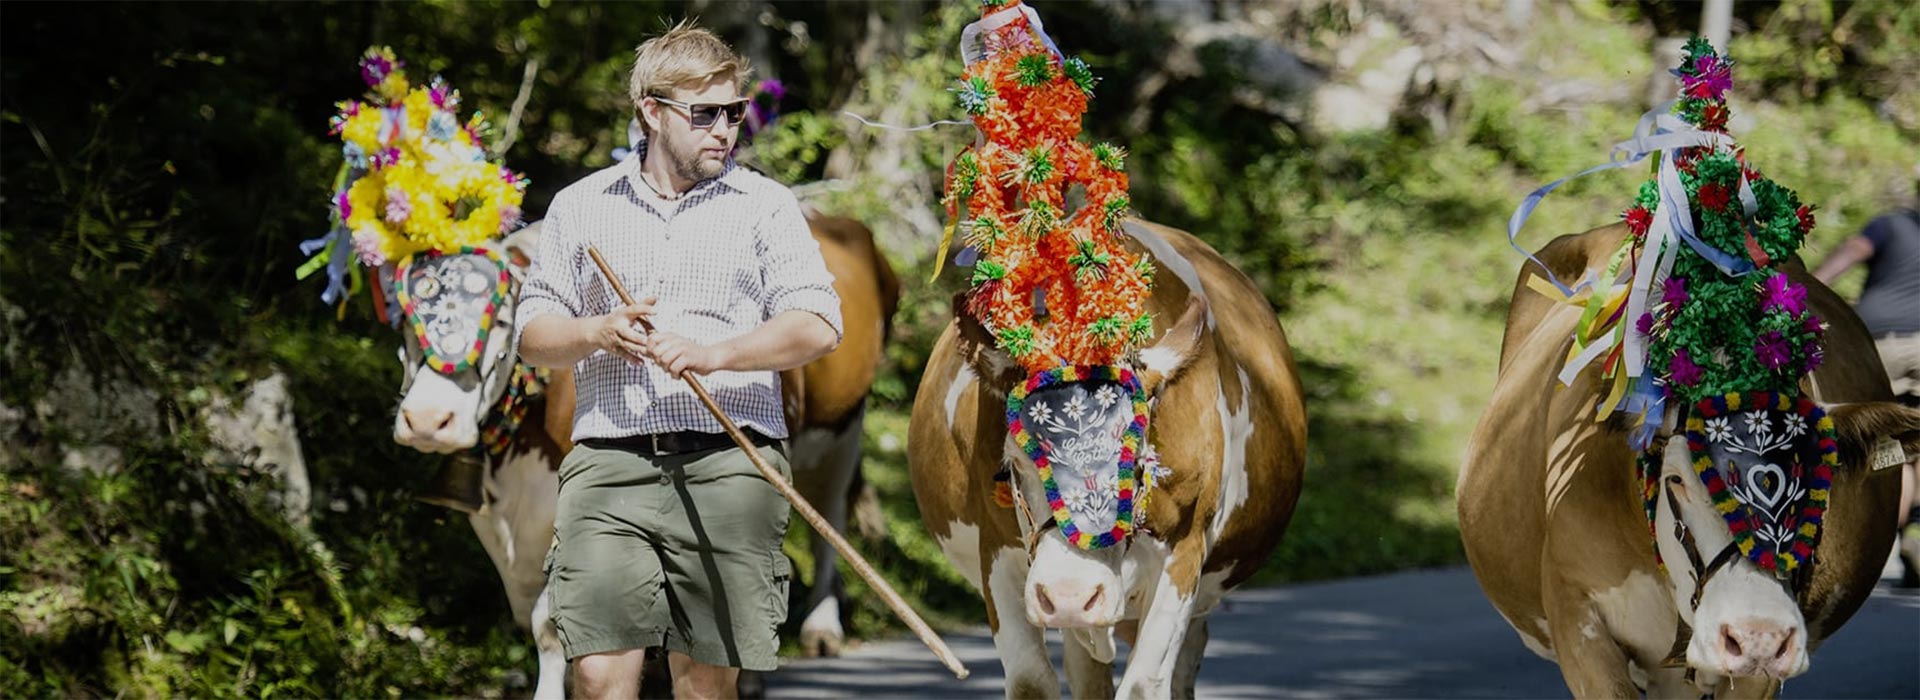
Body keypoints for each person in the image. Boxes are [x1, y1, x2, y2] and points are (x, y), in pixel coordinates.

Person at [515, 20, 842, 699]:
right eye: (706, 114)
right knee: (600, 675)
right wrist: (596, 332)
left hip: (733, 460)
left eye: (734, 113)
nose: (725, 129)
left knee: (703, 683)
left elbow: (818, 324)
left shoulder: (766, 207)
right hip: (610, 462)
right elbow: (532, 334)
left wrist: (715, 353)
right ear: (652, 112)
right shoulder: (580, 206)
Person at [1813, 189, 1920, 587]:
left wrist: (1807, 288)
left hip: (1884, 345)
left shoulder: (1892, 224)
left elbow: (1853, 251)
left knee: (1889, 444)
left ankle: (1889, 533)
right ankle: (1916, 533)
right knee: (1917, 441)